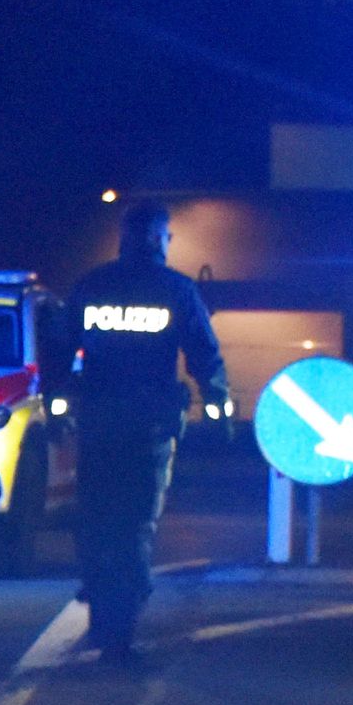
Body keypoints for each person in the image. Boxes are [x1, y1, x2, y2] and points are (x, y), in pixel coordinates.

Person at [59, 201, 227, 666]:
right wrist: (217, 406)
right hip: (148, 430)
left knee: (95, 516)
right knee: (136, 523)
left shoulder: (92, 286)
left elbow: (59, 348)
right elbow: (204, 354)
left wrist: (56, 408)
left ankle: (99, 592)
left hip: (99, 425)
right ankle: (123, 619)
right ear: (159, 238)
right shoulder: (176, 290)